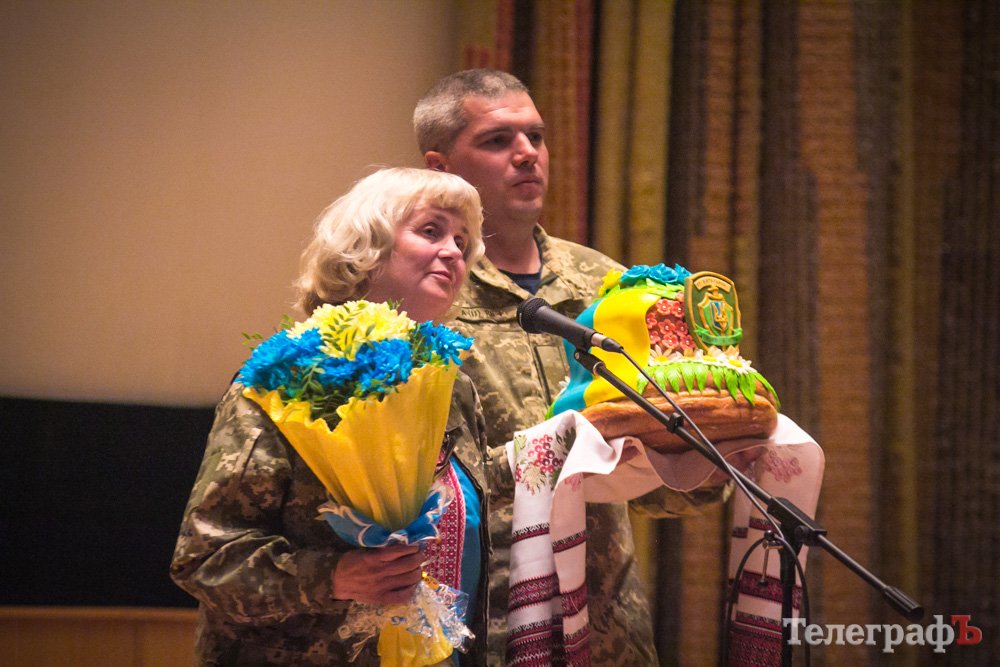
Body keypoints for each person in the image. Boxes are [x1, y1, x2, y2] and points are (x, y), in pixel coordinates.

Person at [414, 70, 727, 665]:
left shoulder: (607, 284)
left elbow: (656, 492)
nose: (527, 153)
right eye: (498, 140)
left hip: (607, 630)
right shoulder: (426, 296)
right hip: (481, 629)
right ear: (440, 168)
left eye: (535, 136)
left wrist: (710, 457)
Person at [171, 167, 514, 666]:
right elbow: (205, 560)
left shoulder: (450, 383)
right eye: (431, 231)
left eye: (462, 242)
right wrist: (333, 577)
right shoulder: (286, 380)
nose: (454, 253)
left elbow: (469, 505)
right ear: (367, 246)